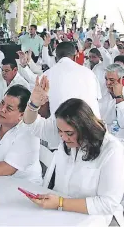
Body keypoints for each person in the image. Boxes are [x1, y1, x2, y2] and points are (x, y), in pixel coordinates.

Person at [22, 76, 124, 226]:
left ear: (86, 128)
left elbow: (107, 203)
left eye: (69, 133)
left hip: (97, 219)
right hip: (62, 213)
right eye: (60, 132)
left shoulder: (111, 150)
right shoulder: (66, 136)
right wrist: (34, 104)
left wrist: (61, 203)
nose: (63, 138)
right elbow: (31, 125)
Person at [43, 42, 102, 131]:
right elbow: (96, 99)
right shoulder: (89, 73)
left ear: (56, 57)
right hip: (92, 129)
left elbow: (43, 110)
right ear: (75, 56)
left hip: (61, 130)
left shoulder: (46, 76)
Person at [99, 64, 124, 139]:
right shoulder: (102, 95)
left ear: (121, 80)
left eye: (112, 80)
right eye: (106, 79)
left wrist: (119, 97)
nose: (107, 83)